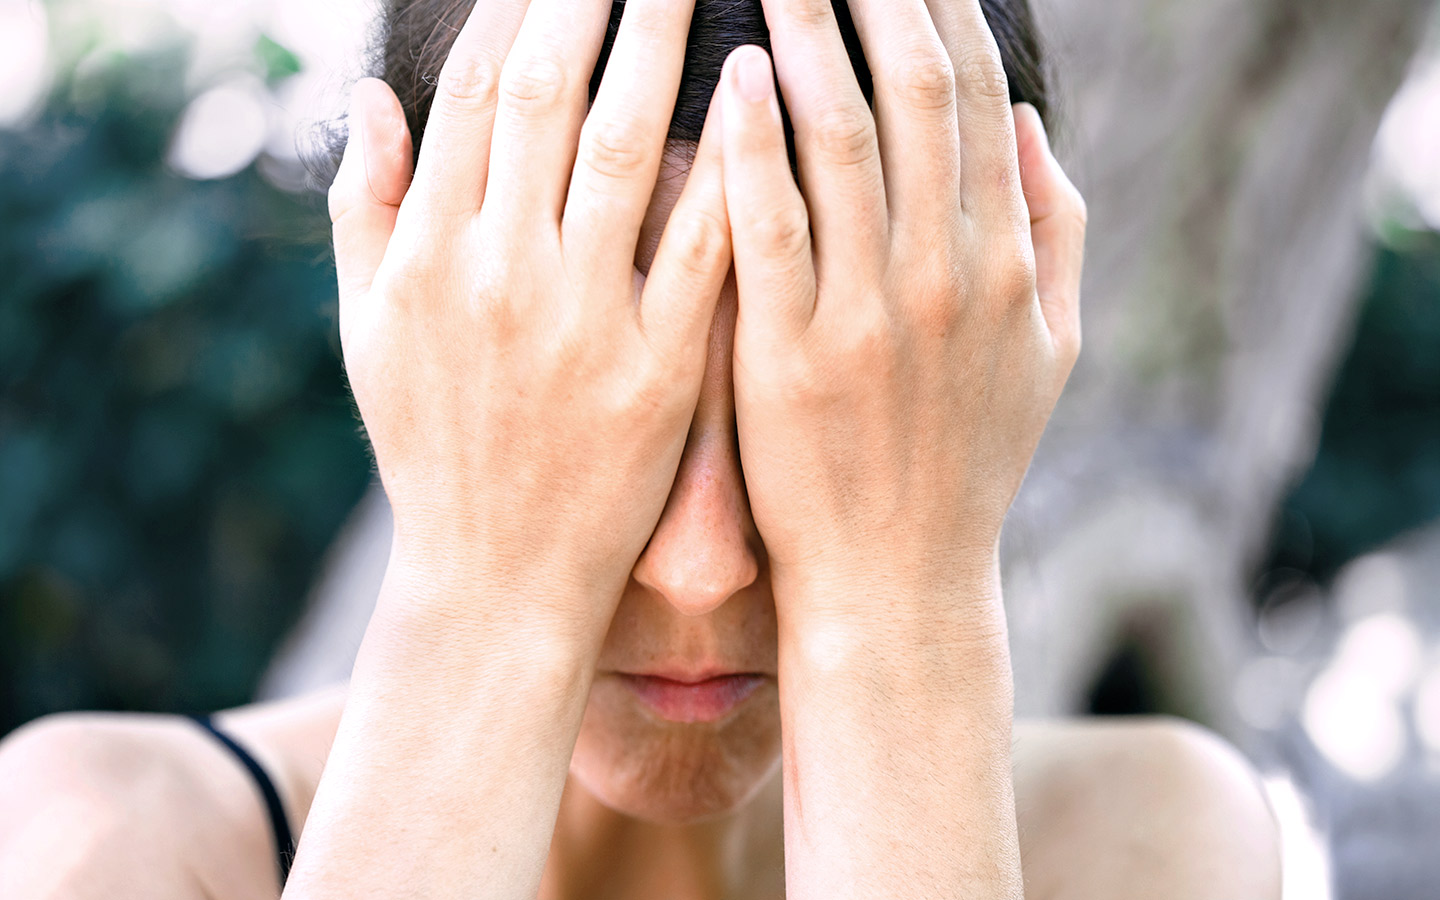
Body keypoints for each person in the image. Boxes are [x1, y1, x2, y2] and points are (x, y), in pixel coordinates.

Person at [0, 0, 1283, 897]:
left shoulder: (1146, 844)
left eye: (823, 417)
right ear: (397, 328)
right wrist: (489, 599)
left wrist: (902, 600)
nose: (701, 568)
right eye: (616, 412)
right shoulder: (110, 847)